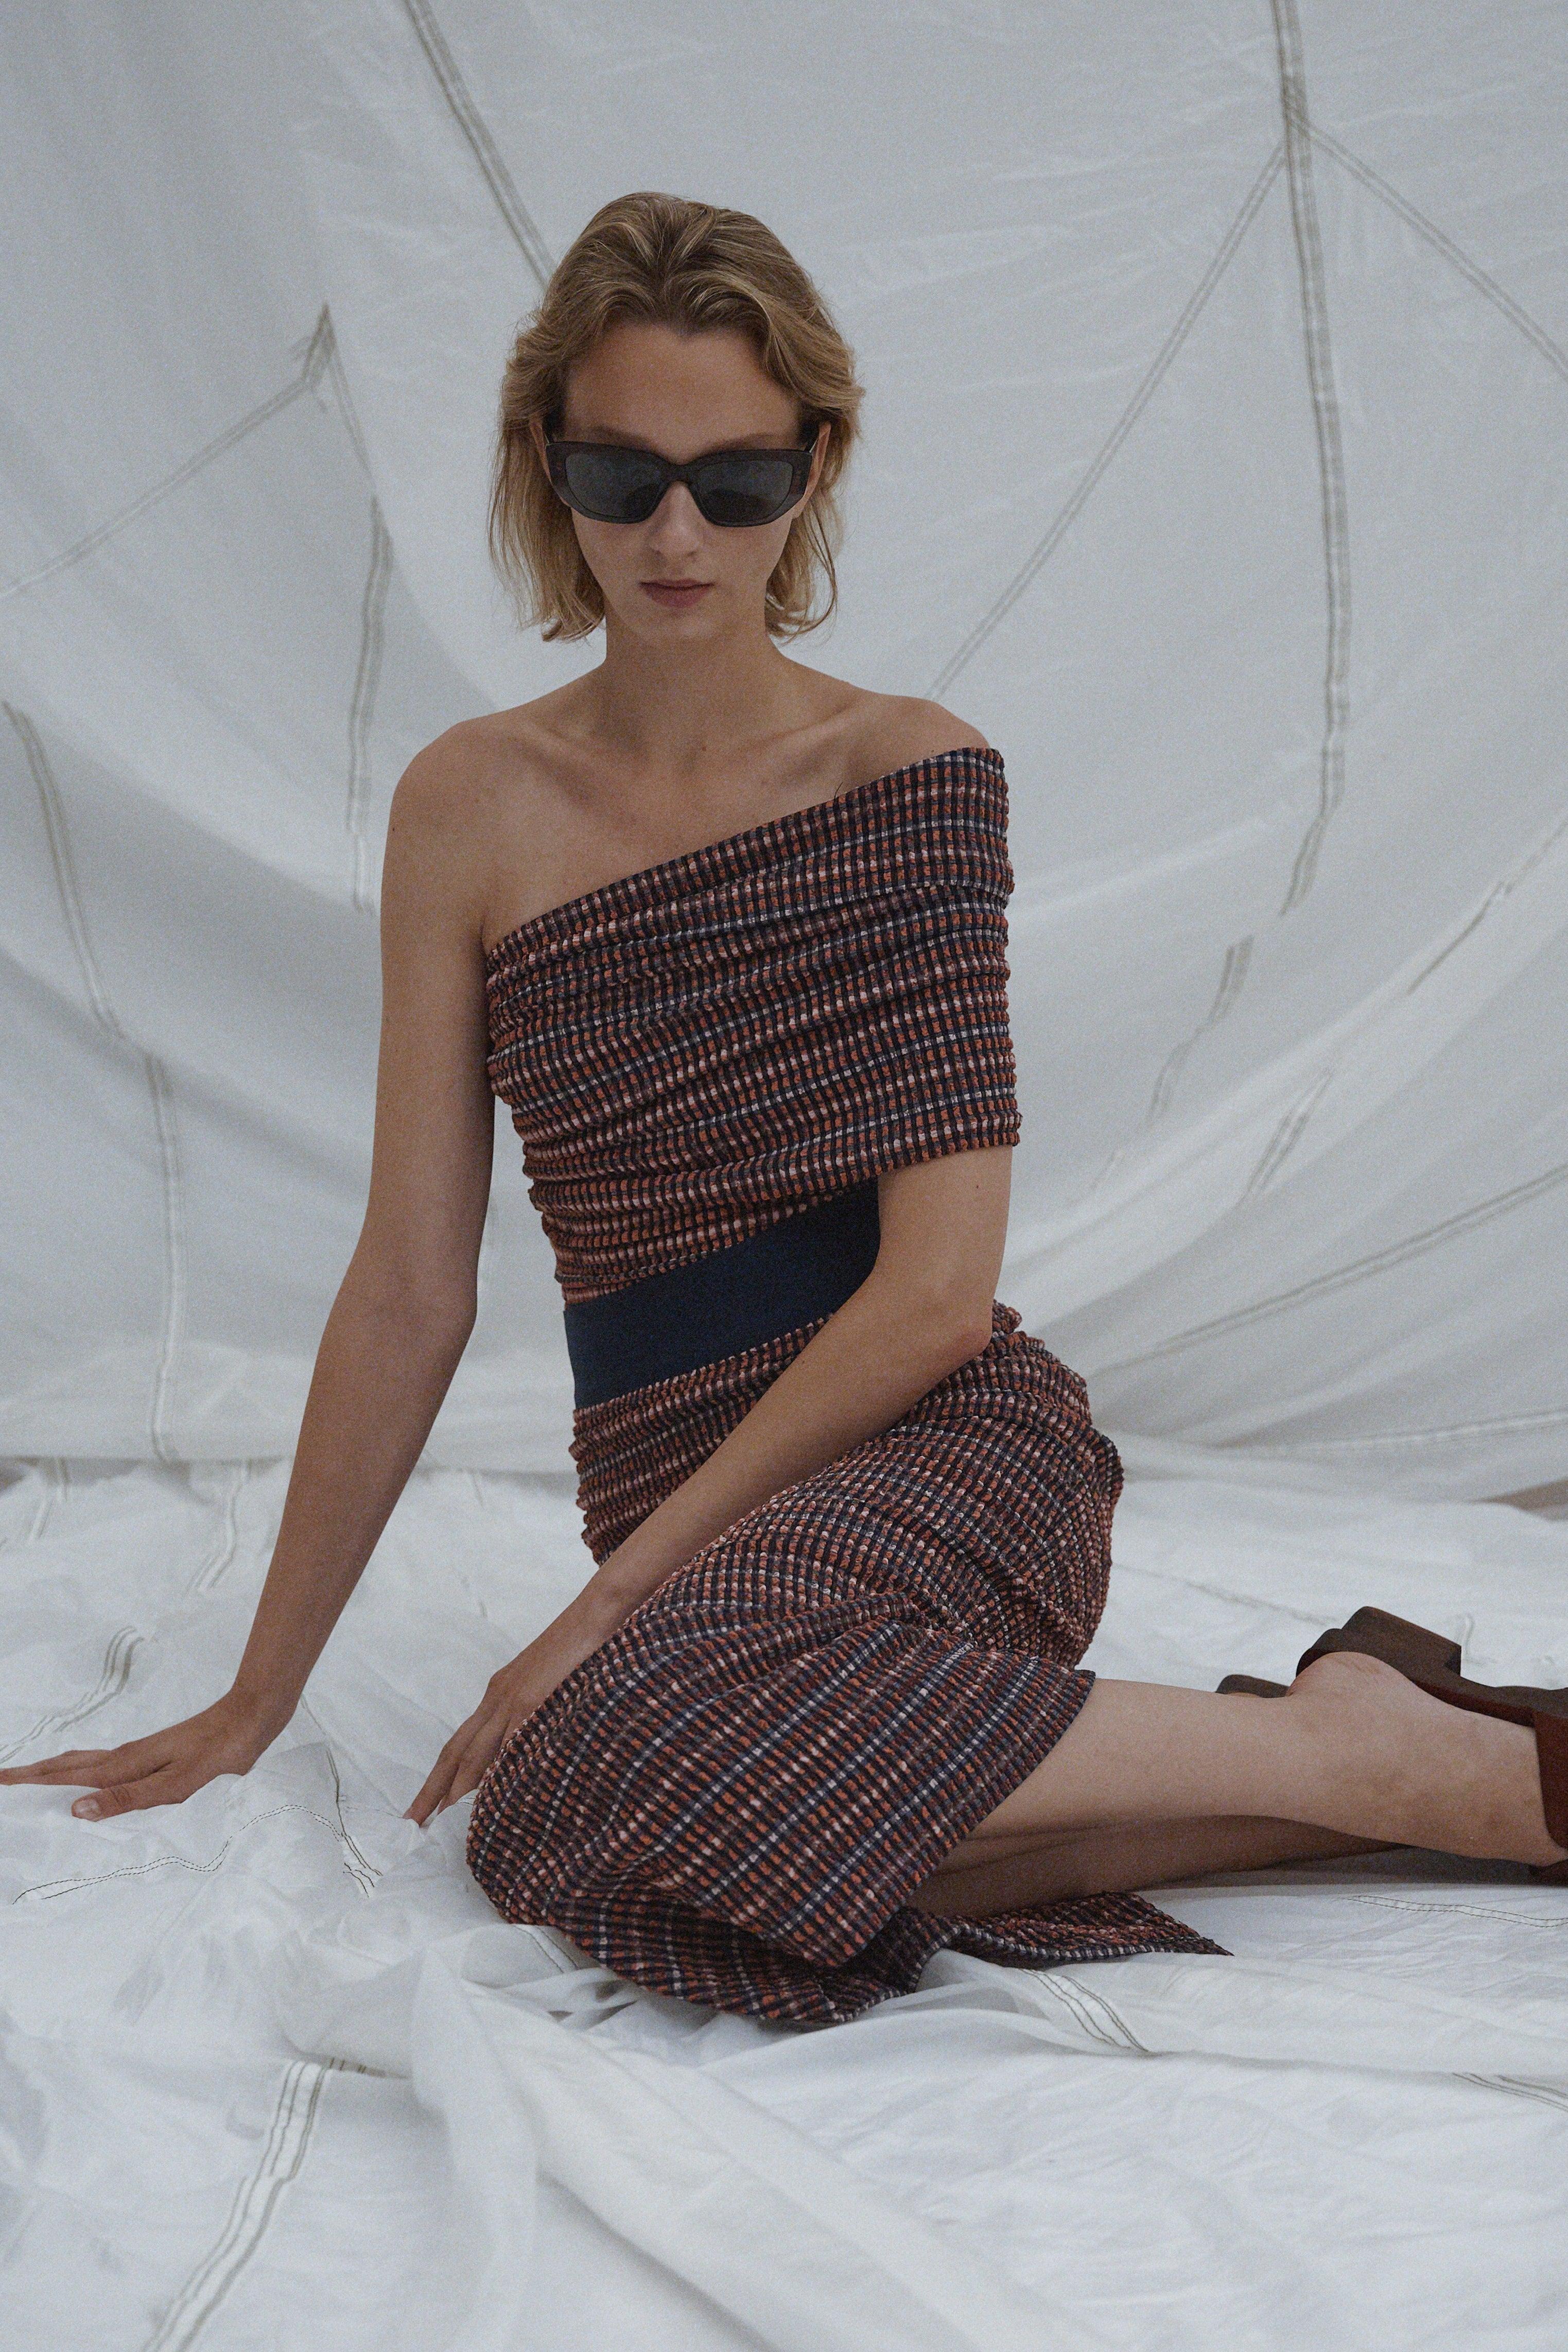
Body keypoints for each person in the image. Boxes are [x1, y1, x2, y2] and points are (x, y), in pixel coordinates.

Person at [5, 192, 1563, 2026]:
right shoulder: (468, 805)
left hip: (939, 1447)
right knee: (569, 1825)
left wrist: (598, 1619)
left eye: (735, 482)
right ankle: (1337, 1750)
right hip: (674, 1491)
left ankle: (1391, 1765)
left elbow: (935, 1300)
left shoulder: (910, 776)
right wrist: (259, 1697)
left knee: (628, 1750)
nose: (676, 536)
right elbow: (412, 1282)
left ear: (814, 467)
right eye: (622, 475)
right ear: (545, 462)